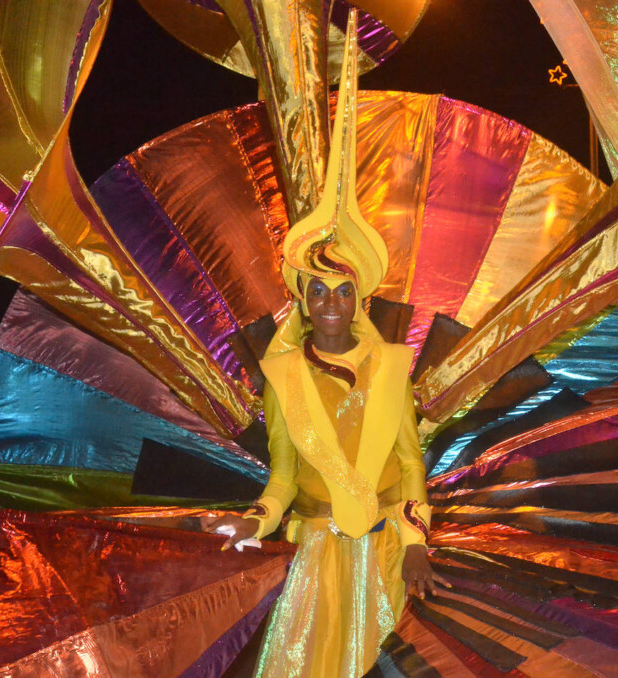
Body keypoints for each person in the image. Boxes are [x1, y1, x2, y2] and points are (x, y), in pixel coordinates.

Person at [205, 19, 445, 675]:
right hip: (314, 555)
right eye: (320, 291)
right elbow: (282, 474)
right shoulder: (280, 375)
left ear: (360, 299)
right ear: (303, 300)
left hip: (389, 554)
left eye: (344, 292)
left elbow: (411, 466)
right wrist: (254, 521)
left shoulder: (394, 366)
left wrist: (420, 540)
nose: (332, 304)